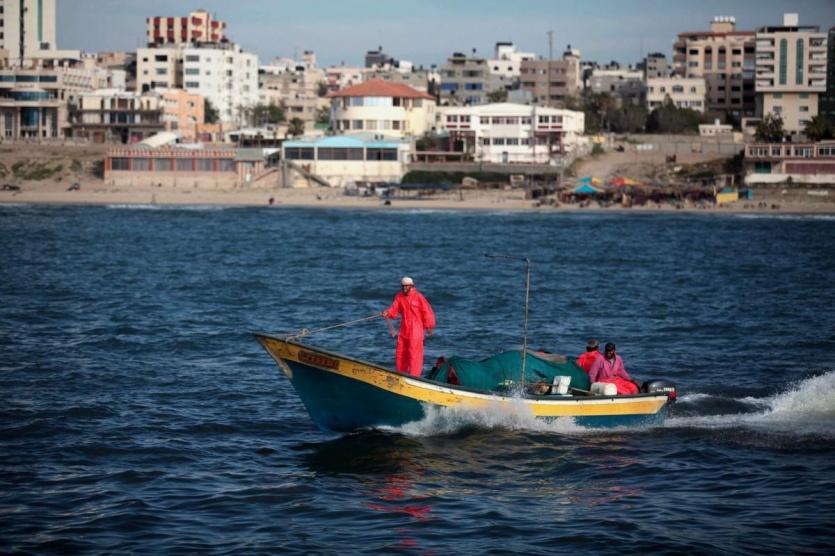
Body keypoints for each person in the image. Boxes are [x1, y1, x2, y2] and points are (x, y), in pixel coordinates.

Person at [382, 276, 435, 377]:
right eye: (403, 286)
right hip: (404, 329)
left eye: (406, 286)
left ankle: (414, 377)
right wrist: (387, 312)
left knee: (414, 355)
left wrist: (429, 326)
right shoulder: (399, 296)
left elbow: (427, 311)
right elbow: (394, 310)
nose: (404, 288)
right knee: (400, 352)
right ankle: (399, 375)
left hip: (416, 330)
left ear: (412, 286)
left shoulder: (419, 297)